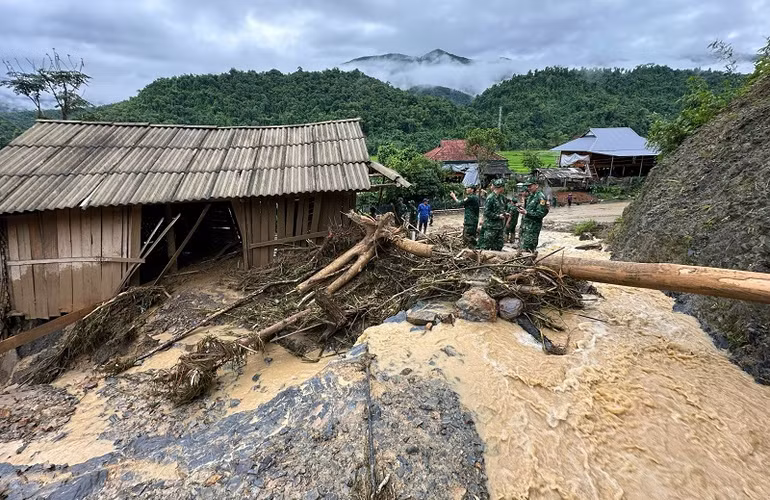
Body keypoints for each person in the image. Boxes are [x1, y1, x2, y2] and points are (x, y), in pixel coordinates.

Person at [518, 178, 549, 253]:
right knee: (523, 249)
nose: (528, 188)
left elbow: (540, 214)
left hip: (533, 228)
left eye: (530, 186)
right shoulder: (531, 196)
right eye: (527, 186)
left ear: (536, 185)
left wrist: (527, 213)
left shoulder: (541, 197)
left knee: (529, 250)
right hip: (526, 227)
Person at [478, 179, 508, 251]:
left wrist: (504, 213)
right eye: (503, 187)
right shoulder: (490, 198)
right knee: (486, 246)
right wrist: (498, 216)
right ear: (501, 187)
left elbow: (500, 209)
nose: (504, 189)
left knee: (498, 246)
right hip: (491, 227)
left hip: (499, 227)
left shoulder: (501, 197)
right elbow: (487, 212)